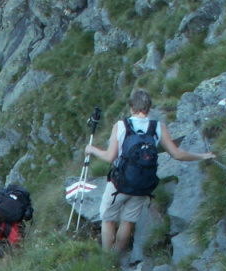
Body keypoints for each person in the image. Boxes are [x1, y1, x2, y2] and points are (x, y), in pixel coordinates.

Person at [84, 89, 215, 254]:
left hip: (119, 184)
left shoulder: (121, 126)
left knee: (108, 219)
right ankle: (116, 254)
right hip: (143, 184)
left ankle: (106, 257)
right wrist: (202, 156)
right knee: (127, 221)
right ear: (148, 107)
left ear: (131, 107)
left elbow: (110, 157)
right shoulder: (158, 127)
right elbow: (177, 154)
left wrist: (91, 149)